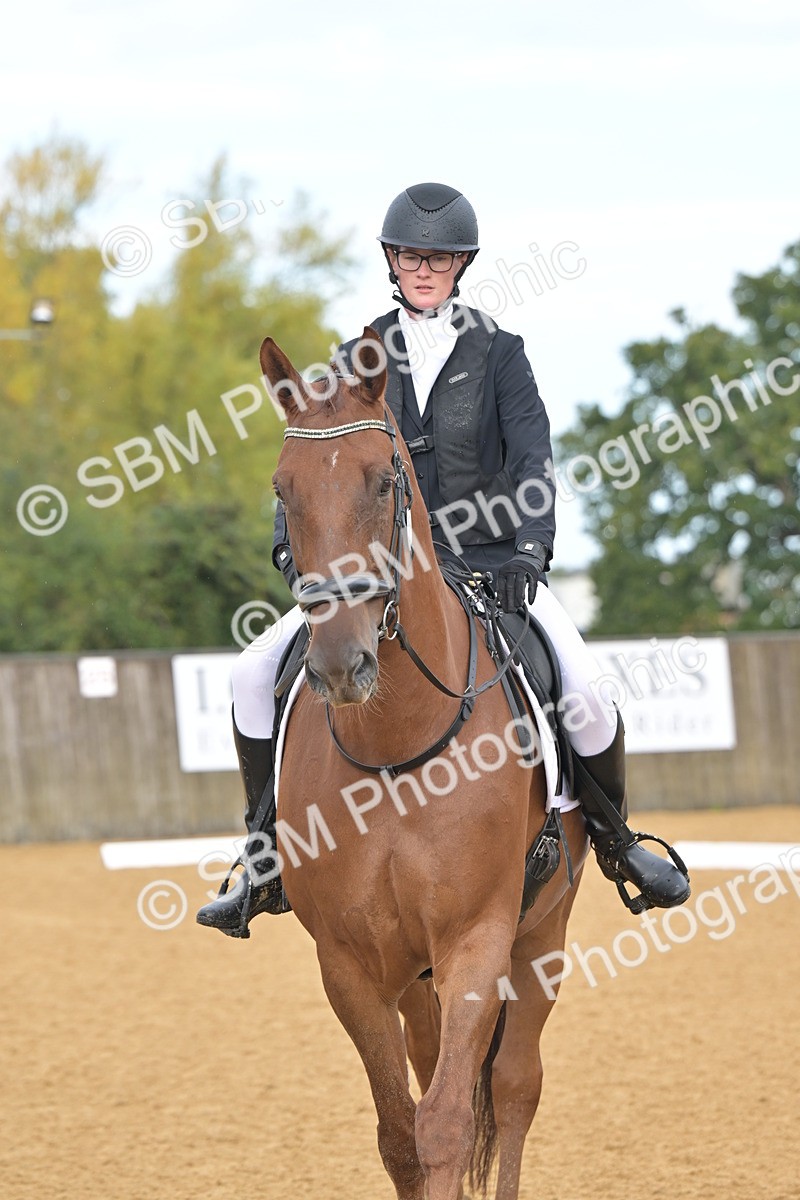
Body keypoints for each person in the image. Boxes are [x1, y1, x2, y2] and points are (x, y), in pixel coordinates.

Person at [196, 182, 691, 938]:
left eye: (440, 257)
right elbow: (307, 459)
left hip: (494, 567)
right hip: (374, 574)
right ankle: (265, 855)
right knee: (249, 673)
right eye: (411, 256)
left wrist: (529, 551)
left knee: (587, 693)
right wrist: (287, 549)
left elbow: (533, 464)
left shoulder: (499, 355)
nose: (424, 268)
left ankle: (620, 843)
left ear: (461, 265)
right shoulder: (349, 363)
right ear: (391, 262)